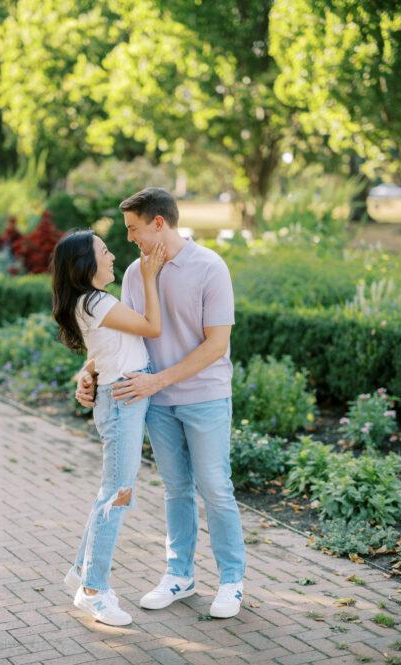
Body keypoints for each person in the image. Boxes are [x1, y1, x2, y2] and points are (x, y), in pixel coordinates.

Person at [76, 188, 246, 619]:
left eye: (134, 229)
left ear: (158, 223)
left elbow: (217, 345)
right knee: (176, 489)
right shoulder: (135, 274)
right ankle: (180, 575)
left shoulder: (210, 267)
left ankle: (231, 580)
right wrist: (89, 370)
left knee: (215, 487)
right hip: (155, 400)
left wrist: (159, 381)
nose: (129, 238)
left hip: (204, 395)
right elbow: (122, 334)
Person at [51, 229, 165, 626]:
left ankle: (83, 574)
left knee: (112, 493)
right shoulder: (96, 301)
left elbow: (105, 352)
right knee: (117, 494)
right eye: (104, 251)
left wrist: (87, 374)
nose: (113, 255)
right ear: (86, 263)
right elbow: (152, 328)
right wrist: (150, 277)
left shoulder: (89, 302)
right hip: (122, 402)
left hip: (122, 396)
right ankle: (95, 591)